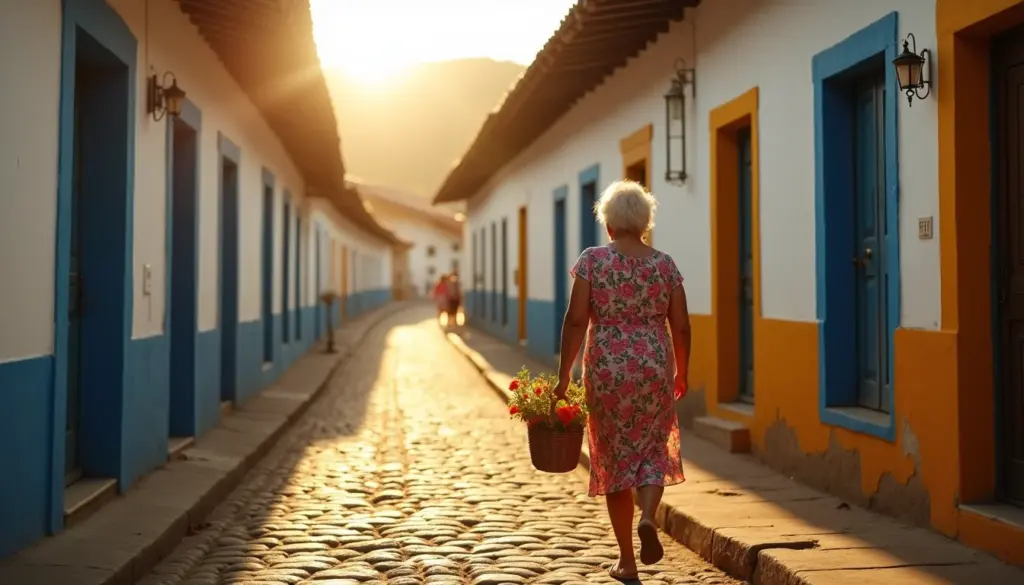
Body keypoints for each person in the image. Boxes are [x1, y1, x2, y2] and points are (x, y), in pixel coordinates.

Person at [553, 179, 690, 580]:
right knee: (652, 449)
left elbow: (576, 319)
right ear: (645, 223)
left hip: (606, 369)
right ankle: (648, 514)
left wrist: (565, 374)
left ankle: (627, 561)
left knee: (613, 459)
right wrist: (683, 369)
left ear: (609, 225)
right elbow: (680, 326)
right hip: (653, 367)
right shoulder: (664, 264)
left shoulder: (593, 260)